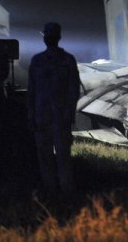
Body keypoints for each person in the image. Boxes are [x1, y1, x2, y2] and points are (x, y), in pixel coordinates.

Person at [27, 22, 81, 194]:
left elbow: (32, 91)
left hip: (50, 117)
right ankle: (61, 190)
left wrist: (31, 115)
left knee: (52, 157)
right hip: (53, 117)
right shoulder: (67, 61)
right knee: (56, 157)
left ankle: (58, 190)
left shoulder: (39, 61)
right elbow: (73, 91)